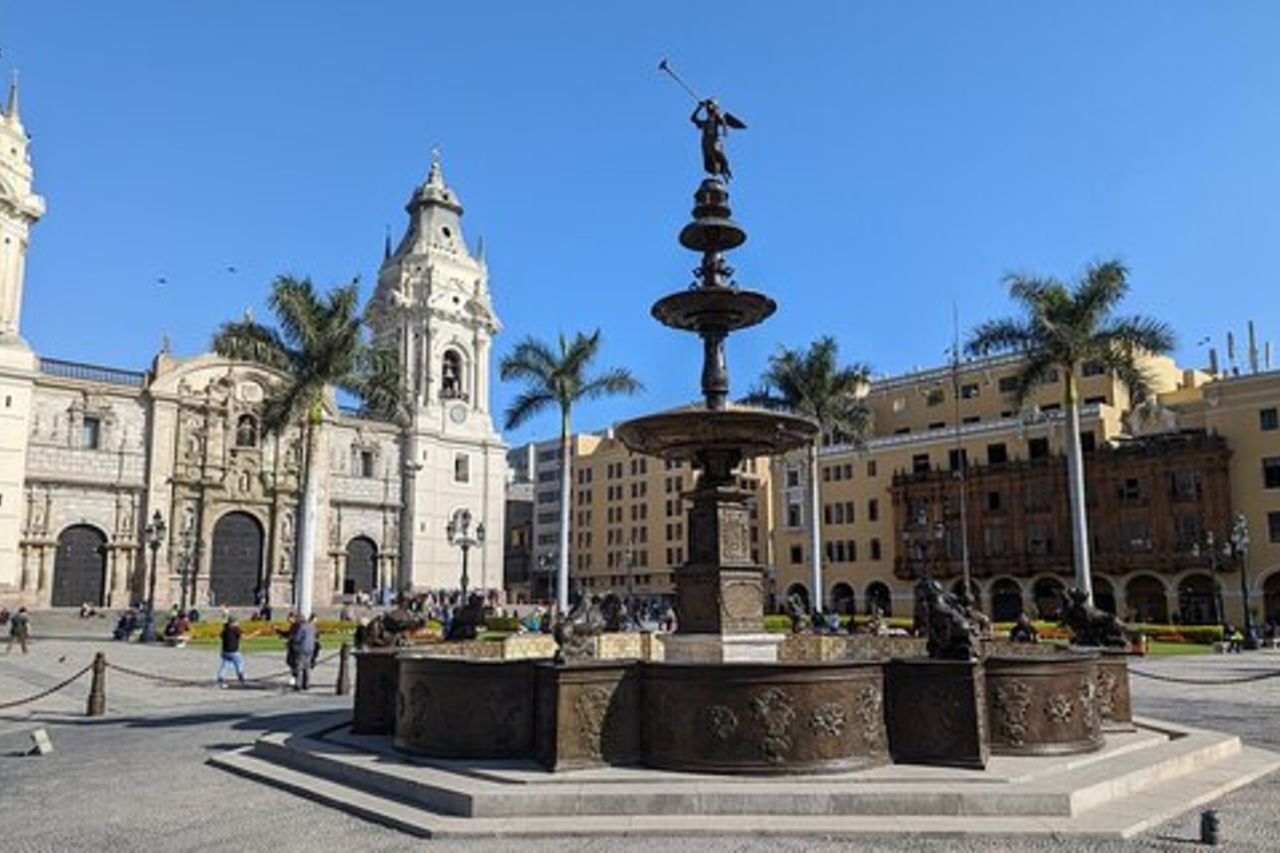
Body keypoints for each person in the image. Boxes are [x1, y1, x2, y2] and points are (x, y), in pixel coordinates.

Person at [216, 614, 246, 688]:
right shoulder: (236, 629)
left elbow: (221, 636)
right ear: (233, 622)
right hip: (233, 651)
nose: (238, 623)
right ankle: (241, 676)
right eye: (237, 622)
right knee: (239, 662)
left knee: (225, 665)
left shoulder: (225, 629)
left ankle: (220, 678)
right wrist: (255, 634)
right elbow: (245, 637)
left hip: (225, 651)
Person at [289, 614, 318, 691]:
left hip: (301, 649)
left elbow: (297, 638)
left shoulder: (301, 627)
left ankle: (298, 685)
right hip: (310, 649)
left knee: (299, 667)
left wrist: (292, 639)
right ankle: (306, 684)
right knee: (307, 667)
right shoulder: (312, 626)